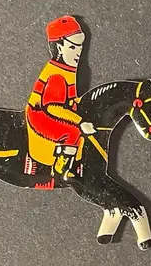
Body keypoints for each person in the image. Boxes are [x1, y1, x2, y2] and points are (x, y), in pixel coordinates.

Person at [25, 15, 97, 179]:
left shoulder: (67, 68)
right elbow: (53, 107)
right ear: (59, 47)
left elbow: (68, 100)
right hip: (40, 115)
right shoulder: (57, 75)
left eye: (80, 47)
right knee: (72, 132)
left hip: (52, 111)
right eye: (72, 47)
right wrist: (79, 122)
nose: (78, 53)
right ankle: (61, 169)